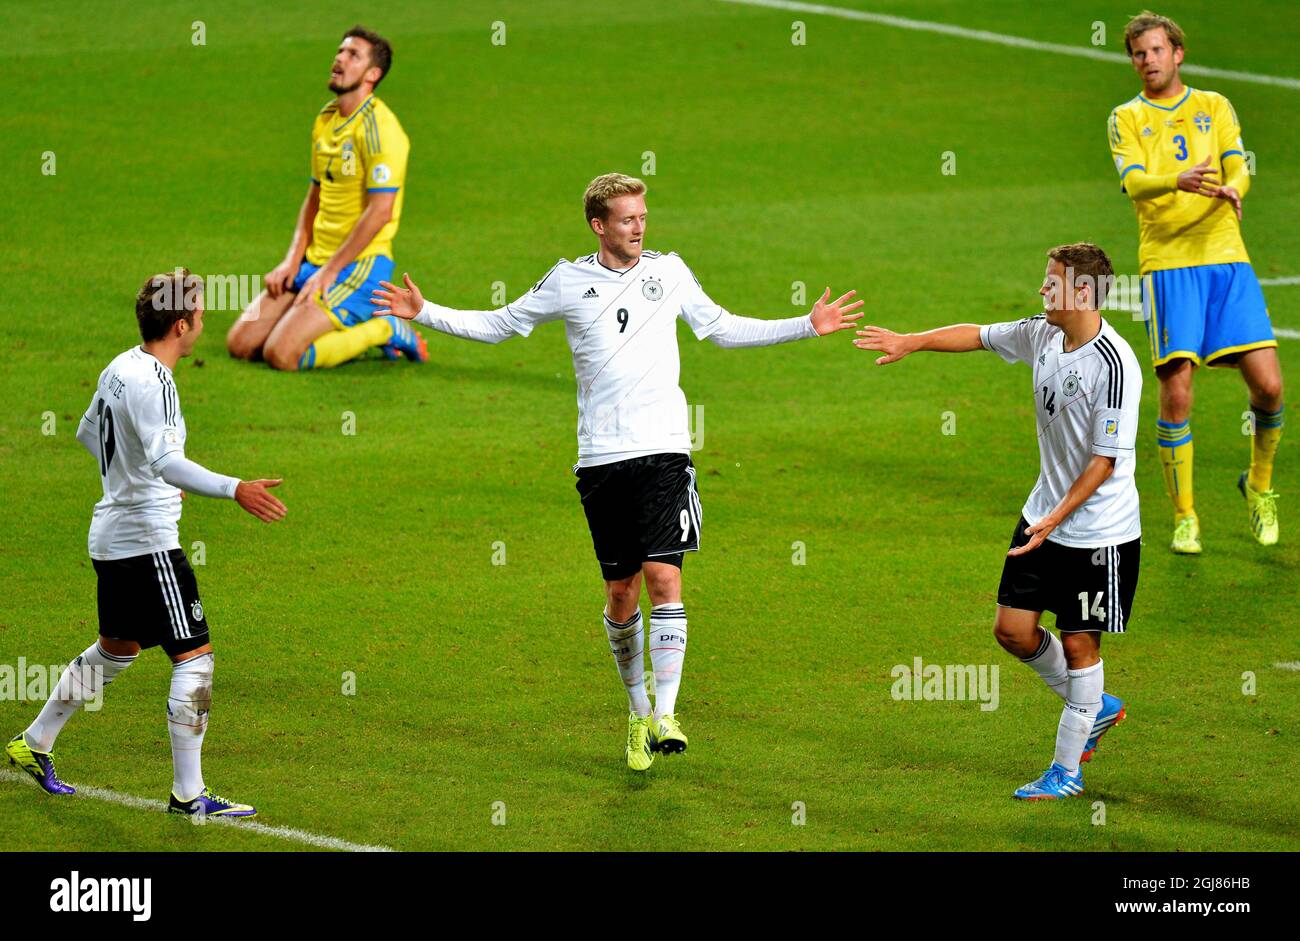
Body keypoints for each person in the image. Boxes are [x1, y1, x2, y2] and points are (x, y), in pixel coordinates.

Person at [372, 172, 863, 771]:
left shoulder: (671, 271)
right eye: (627, 219)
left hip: (664, 451)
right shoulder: (566, 280)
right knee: (620, 593)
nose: (639, 227)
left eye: (643, 215)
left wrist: (805, 326)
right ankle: (635, 715)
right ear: (599, 225)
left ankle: (666, 713)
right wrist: (425, 313)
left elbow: (722, 328)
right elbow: (502, 325)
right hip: (602, 459)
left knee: (665, 579)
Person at [855, 243, 1141, 799]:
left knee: (1081, 645)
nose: (1041, 290)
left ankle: (1066, 771)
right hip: (1044, 517)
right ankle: (1095, 707)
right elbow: (980, 334)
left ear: (1082, 292)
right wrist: (913, 341)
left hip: (1097, 533)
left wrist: (1059, 517)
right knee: (1012, 631)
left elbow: (1105, 462)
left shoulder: (1115, 366)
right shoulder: (1043, 334)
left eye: (1051, 282)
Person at [6, 269, 286, 818]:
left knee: (117, 650)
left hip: (110, 537)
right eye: (201, 314)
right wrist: (235, 489)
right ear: (182, 325)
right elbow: (165, 461)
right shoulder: (156, 381)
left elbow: (89, 433)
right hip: (146, 543)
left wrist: (132, 482)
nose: (205, 320)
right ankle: (189, 794)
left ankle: (33, 743)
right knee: (195, 660)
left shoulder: (119, 367)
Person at [1108, 10, 1283, 552]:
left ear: (1177, 53)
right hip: (1167, 262)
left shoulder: (1214, 106)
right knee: (1177, 390)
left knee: (1270, 386)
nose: (1148, 61)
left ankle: (1257, 484)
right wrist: (1176, 180)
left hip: (1227, 256)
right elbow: (1135, 184)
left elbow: (1239, 165)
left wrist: (1235, 190)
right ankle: (1185, 515)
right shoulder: (1126, 117)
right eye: (1139, 54)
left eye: (1157, 50)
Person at [225, 25, 426, 370]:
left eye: (353, 55)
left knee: (282, 355)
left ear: (372, 74)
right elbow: (314, 195)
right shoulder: (327, 118)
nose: (339, 59)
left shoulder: (381, 130)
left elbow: (380, 213)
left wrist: (330, 272)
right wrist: (292, 260)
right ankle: (317, 314)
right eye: (340, 51)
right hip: (316, 260)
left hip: (358, 266)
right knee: (240, 344)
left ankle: (385, 328)